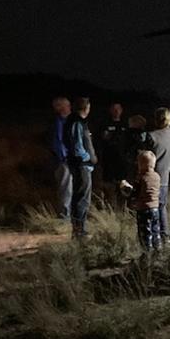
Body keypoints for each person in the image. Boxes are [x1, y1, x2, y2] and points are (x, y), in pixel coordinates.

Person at [63, 96, 97, 238]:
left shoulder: (75, 121)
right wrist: (89, 158)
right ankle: (79, 231)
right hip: (81, 165)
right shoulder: (76, 122)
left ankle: (78, 229)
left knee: (79, 196)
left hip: (80, 165)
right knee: (82, 198)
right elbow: (77, 147)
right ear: (86, 107)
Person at [149, 106, 170, 242]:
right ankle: (164, 235)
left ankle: (154, 237)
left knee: (150, 209)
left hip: (150, 178)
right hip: (165, 178)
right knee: (162, 207)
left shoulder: (152, 137)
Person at [121, 150, 162, 252]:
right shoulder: (157, 177)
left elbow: (135, 193)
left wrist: (126, 188)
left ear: (141, 165)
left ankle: (147, 252)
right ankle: (158, 249)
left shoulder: (141, 178)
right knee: (155, 230)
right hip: (155, 208)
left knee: (145, 233)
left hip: (144, 209)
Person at [48, 96, 72, 220]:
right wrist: (64, 158)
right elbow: (57, 143)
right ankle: (65, 217)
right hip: (64, 162)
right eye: (67, 106)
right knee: (66, 189)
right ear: (60, 108)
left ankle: (69, 216)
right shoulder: (57, 123)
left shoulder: (68, 121)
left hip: (70, 160)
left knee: (70, 189)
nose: (69, 108)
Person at [98, 101, 126, 205]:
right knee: (108, 186)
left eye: (118, 109)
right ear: (110, 111)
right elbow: (100, 140)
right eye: (114, 109)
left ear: (121, 110)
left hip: (122, 161)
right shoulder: (105, 124)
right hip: (108, 160)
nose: (116, 111)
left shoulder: (125, 125)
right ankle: (108, 207)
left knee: (122, 186)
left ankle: (122, 207)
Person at [122, 114, 154, 181]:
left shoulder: (128, 134)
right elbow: (150, 146)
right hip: (145, 163)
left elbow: (124, 148)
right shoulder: (146, 135)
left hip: (131, 163)